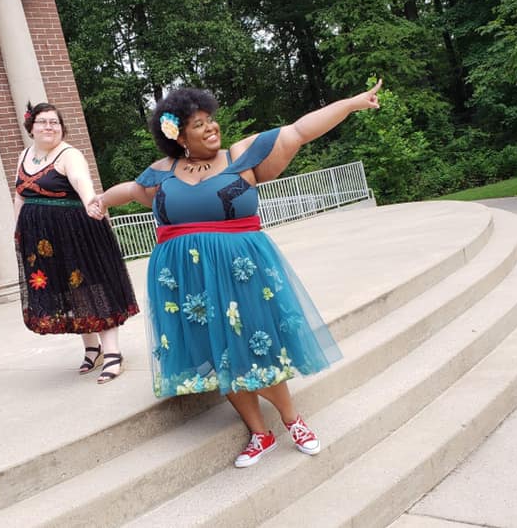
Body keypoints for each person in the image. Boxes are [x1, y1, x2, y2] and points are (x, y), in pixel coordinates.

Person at [90, 81, 382, 466]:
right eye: (199, 124)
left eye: (211, 119)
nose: (211, 127)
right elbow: (129, 189)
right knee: (217, 354)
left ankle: (293, 421)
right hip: (186, 280)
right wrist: (99, 202)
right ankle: (259, 434)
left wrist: (351, 104)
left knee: (256, 346)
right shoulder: (162, 172)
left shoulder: (240, 156)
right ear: (178, 135)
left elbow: (298, 130)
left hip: (241, 272)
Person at [14, 102, 139, 384]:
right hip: (43, 241)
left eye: (54, 122)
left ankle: (112, 353)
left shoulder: (69, 155)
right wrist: (17, 231)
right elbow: (20, 195)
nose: (49, 127)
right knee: (70, 293)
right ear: (31, 128)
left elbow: (82, 182)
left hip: (77, 234)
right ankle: (91, 348)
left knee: (93, 289)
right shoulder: (24, 155)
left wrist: (92, 203)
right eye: (43, 122)